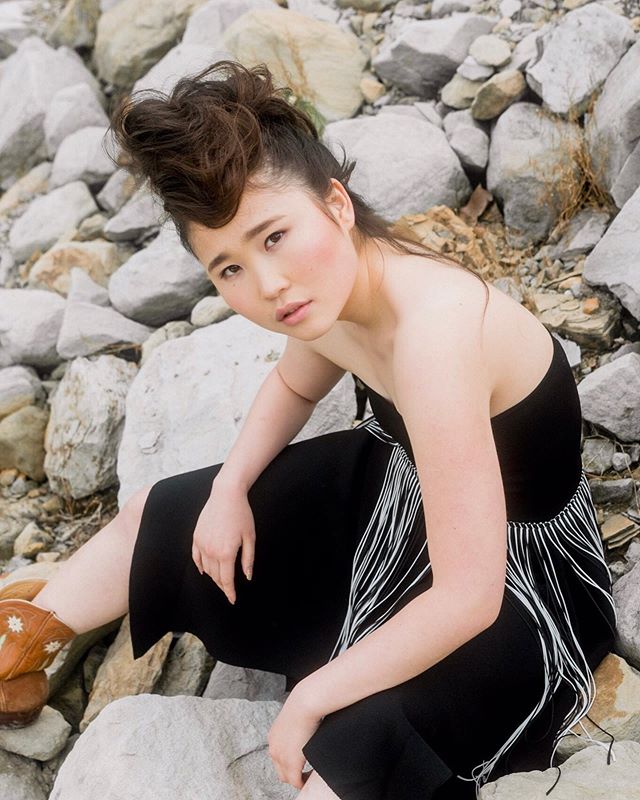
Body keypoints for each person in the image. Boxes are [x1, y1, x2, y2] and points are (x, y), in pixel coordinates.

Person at [0, 60, 618, 800]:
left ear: (336, 205)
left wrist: (313, 697)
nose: (266, 286)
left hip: (517, 575)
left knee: (345, 757)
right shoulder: (324, 294)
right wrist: (230, 488)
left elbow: (468, 598)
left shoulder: (436, 331)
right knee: (170, 518)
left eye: (274, 237)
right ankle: (23, 642)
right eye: (227, 268)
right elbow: (294, 382)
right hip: (398, 491)